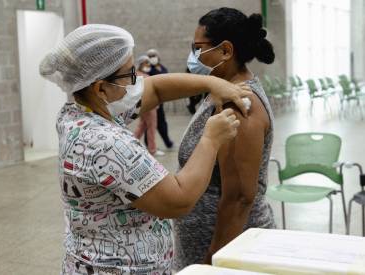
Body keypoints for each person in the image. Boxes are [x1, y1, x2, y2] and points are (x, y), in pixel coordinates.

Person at [39, 24, 251, 274]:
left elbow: (156, 89)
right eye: (129, 75)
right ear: (99, 87)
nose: (136, 82)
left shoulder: (79, 110)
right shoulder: (104, 142)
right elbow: (178, 200)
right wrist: (211, 140)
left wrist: (211, 83)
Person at [173, 7, 277, 270]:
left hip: (227, 249)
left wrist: (214, 262)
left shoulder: (240, 104)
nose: (194, 55)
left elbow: (240, 196)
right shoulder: (219, 90)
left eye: (198, 48)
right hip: (204, 242)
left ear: (225, 51)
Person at [133, 55, 164, 156]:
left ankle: (132, 143)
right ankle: (152, 150)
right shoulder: (142, 76)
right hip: (149, 105)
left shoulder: (137, 74)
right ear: (141, 64)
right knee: (151, 127)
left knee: (142, 126)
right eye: (146, 63)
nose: (148, 65)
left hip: (143, 105)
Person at [146, 49, 174, 149]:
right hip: (152, 100)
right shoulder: (148, 70)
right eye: (150, 56)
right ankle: (149, 145)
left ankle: (167, 142)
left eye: (154, 55)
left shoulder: (162, 67)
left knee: (162, 122)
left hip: (161, 99)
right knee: (149, 124)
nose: (153, 57)